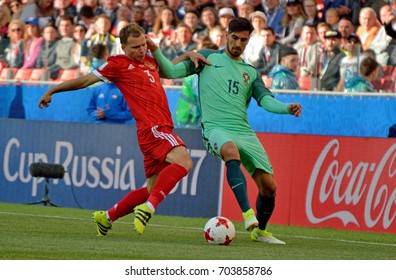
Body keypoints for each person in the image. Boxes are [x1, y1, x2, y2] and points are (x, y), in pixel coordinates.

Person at [38, 23, 210, 236]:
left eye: (142, 45)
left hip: (152, 132)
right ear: (123, 47)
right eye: (135, 47)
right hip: (153, 128)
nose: (140, 50)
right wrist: (53, 90)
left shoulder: (149, 60)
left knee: (150, 190)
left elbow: (168, 68)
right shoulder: (117, 65)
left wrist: (187, 55)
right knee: (184, 161)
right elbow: (85, 81)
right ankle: (148, 209)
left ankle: (107, 217)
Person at [153, 17, 302, 244]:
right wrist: (166, 51)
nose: (238, 44)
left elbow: (266, 101)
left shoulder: (251, 73)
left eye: (243, 40)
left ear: (248, 41)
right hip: (215, 128)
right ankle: (247, 214)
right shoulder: (207, 58)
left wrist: (286, 109)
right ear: (226, 35)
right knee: (230, 150)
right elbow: (169, 72)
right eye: (235, 38)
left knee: (269, 188)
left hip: (243, 131)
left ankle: (260, 231)